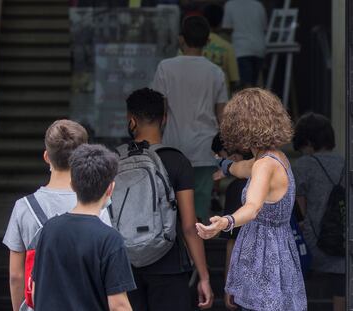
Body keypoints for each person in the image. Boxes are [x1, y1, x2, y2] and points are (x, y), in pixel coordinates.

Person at [196, 88, 307, 311]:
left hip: (264, 261)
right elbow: (240, 168)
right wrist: (224, 166)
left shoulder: (264, 165)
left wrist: (225, 222)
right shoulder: (275, 157)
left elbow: (252, 207)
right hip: (277, 253)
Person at [2, 120, 111, 311]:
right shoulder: (97, 205)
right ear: (82, 158)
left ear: (46, 156)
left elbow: (16, 276)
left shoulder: (24, 207)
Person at [125, 88, 213, 310]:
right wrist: (204, 276)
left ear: (131, 120)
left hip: (126, 267)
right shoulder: (178, 161)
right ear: (164, 119)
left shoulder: (116, 160)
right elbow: (189, 226)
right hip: (169, 265)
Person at [32, 144, 136, 311]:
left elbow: (36, 290)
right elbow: (119, 306)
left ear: (72, 184)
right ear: (110, 188)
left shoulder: (49, 229)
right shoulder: (109, 239)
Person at [151, 15, 228, 223]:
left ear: (181, 39)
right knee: (201, 207)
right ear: (208, 41)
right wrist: (226, 150)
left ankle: (179, 251)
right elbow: (223, 116)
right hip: (206, 148)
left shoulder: (166, 68)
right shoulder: (216, 73)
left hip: (173, 148)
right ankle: (198, 251)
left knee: (172, 204)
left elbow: (160, 112)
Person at [292, 113, 345, 311]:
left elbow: (299, 204)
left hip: (314, 243)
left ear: (308, 142)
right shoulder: (344, 162)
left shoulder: (304, 165)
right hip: (341, 241)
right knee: (342, 282)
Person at [211, 134, 252, 311]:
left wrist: (230, 285)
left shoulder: (237, 188)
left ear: (234, 158)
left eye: (221, 159)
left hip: (248, 276)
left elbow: (233, 242)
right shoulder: (277, 174)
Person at [222, 0, 267, 87]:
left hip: (241, 49)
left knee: (246, 85)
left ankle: (248, 101)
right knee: (255, 85)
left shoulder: (230, 4)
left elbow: (227, 27)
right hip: (259, 48)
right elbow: (264, 27)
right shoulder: (258, 5)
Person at [203, 4, 240, 94]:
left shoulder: (191, 45)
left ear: (203, 20)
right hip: (222, 98)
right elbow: (234, 80)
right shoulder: (227, 47)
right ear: (221, 22)